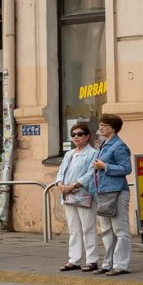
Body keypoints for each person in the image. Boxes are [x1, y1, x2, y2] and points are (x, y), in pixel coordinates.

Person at [89, 112, 135, 276]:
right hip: (104, 191)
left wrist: (105, 166)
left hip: (117, 192)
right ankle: (108, 263)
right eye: (100, 124)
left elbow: (126, 169)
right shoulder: (104, 145)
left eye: (104, 125)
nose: (100, 127)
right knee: (107, 230)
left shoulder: (119, 146)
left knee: (120, 229)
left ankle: (121, 264)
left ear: (113, 128)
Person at [53, 122, 100, 272]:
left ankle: (92, 260)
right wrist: (60, 184)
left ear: (87, 136)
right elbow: (61, 171)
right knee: (73, 229)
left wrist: (74, 185)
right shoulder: (69, 154)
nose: (76, 137)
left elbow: (91, 173)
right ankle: (74, 259)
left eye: (80, 134)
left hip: (83, 195)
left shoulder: (93, 153)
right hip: (67, 195)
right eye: (73, 135)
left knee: (88, 228)